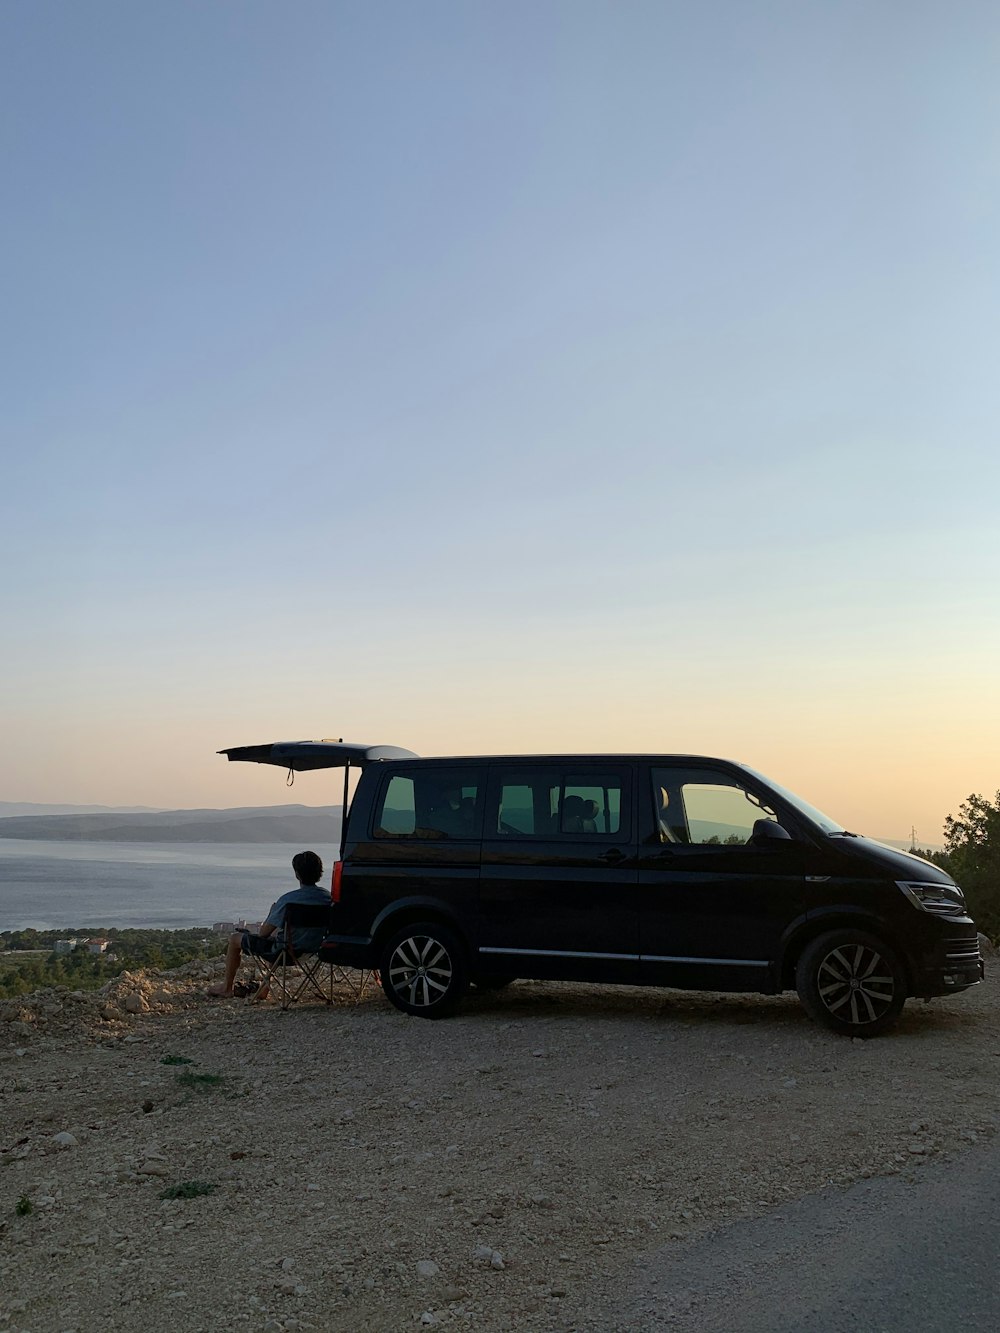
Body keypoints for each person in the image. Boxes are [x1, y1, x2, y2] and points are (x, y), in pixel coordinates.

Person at [208, 850, 330, 998]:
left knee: (235, 939)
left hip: (286, 953)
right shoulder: (327, 898)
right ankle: (264, 988)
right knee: (281, 940)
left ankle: (226, 988)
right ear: (319, 873)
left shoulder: (289, 900)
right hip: (313, 951)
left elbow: (263, 934)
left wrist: (271, 914)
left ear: (297, 874)